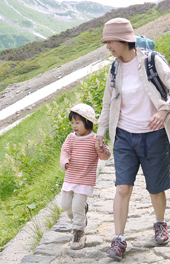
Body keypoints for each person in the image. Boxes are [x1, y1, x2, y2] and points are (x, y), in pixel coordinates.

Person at [95, 18, 170, 260]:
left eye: (110, 41)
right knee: (122, 187)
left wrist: (163, 110)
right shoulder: (114, 69)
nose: (108, 47)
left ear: (124, 39)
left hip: (155, 136)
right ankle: (119, 239)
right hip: (124, 137)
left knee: (156, 188)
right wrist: (100, 134)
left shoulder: (151, 61)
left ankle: (160, 223)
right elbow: (107, 104)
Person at [60, 103, 111, 250]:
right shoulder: (71, 138)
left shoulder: (95, 139)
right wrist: (65, 162)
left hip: (85, 179)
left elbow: (105, 156)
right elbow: (64, 152)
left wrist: (100, 148)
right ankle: (82, 211)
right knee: (65, 205)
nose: (74, 126)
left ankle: (79, 231)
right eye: (72, 123)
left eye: (77, 122)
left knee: (77, 206)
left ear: (87, 123)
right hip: (70, 177)